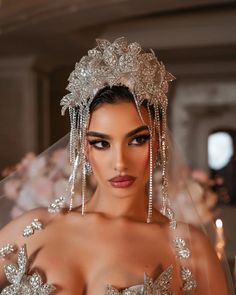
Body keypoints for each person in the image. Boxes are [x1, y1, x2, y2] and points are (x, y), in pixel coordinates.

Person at [0, 37, 231, 294]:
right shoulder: (32, 229)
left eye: (137, 140)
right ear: (84, 148)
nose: (120, 163)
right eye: (101, 143)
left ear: (158, 142)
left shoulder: (188, 247)